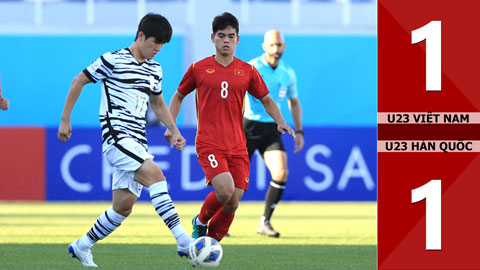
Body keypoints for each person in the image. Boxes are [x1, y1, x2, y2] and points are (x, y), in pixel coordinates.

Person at [57, 13, 192, 267]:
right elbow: (79, 81)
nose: (158, 49)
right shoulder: (113, 60)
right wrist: (66, 120)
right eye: (155, 43)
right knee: (157, 177)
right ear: (141, 36)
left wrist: (174, 129)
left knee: (123, 207)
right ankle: (183, 239)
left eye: (162, 45)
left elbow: (158, 103)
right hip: (117, 136)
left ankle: (82, 245)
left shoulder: (155, 68)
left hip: (138, 140)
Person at [165, 12, 295, 243]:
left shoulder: (247, 71)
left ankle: (210, 246)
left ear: (237, 39)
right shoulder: (198, 68)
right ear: (213, 38)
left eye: (231, 36)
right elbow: (178, 96)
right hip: (209, 142)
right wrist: (172, 128)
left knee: (233, 201)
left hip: (238, 144)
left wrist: (281, 121)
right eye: (221, 35)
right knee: (224, 191)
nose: (226, 40)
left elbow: (266, 99)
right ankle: (200, 221)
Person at [244, 30, 304, 238]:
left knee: (281, 172)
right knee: (234, 182)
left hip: (272, 128)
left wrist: (299, 131)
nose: (276, 49)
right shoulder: (252, 67)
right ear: (264, 46)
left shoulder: (287, 73)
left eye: (279, 45)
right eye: (272, 45)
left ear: (284, 47)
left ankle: (265, 222)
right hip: (247, 127)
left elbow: (294, 102)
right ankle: (216, 221)